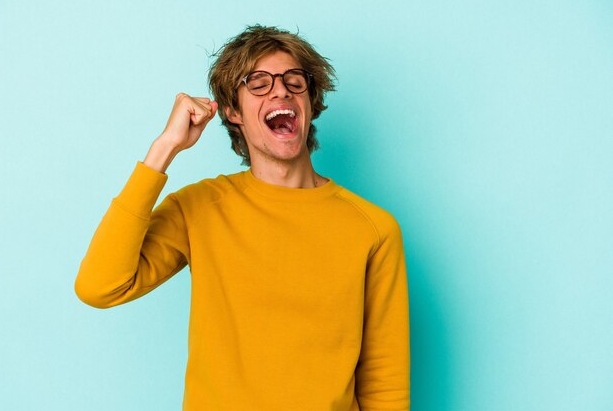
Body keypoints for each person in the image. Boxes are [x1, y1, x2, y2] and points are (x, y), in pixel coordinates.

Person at [75, 24, 410, 411]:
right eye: (258, 83)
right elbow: (100, 287)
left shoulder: (373, 228)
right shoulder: (200, 207)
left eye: (294, 81)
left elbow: (385, 383)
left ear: (311, 102)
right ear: (232, 111)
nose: (281, 90)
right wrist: (163, 150)